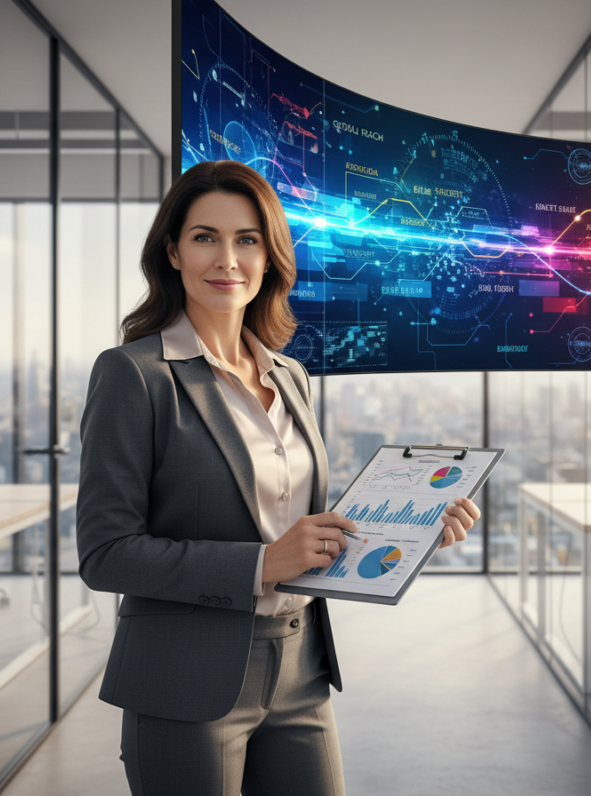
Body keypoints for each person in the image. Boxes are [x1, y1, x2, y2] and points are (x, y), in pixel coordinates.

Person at [76, 159, 480, 796]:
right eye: (205, 237)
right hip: (187, 676)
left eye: (247, 240)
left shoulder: (290, 376)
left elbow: (300, 531)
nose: (226, 259)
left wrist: (415, 530)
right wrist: (259, 565)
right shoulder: (135, 375)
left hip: (301, 670)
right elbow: (105, 555)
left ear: (269, 257)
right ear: (173, 253)